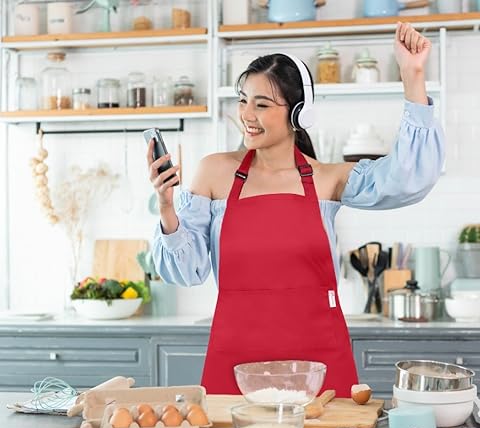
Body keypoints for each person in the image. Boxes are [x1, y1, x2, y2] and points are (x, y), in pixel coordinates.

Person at [147, 22, 445, 397]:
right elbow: (186, 271)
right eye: (243, 100)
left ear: (300, 113)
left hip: (318, 366)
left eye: (262, 104)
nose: (246, 114)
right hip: (236, 363)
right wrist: (166, 206)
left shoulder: (327, 179)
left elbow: (409, 178)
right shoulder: (215, 172)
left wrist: (412, 75)